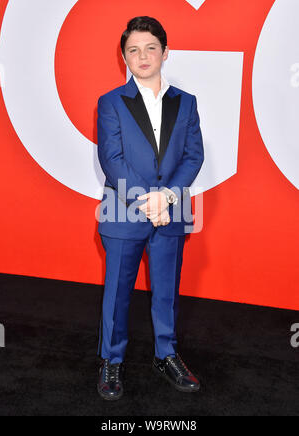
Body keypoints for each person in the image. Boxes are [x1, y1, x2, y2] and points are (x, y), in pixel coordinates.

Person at [96, 16, 204, 401]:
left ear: (165, 51)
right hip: (124, 211)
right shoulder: (110, 102)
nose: (142, 56)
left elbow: (193, 157)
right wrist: (150, 201)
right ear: (124, 56)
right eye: (133, 50)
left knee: (166, 292)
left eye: (150, 48)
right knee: (118, 292)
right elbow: (112, 159)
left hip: (170, 213)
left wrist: (168, 198)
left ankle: (166, 354)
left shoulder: (186, 103)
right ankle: (111, 360)